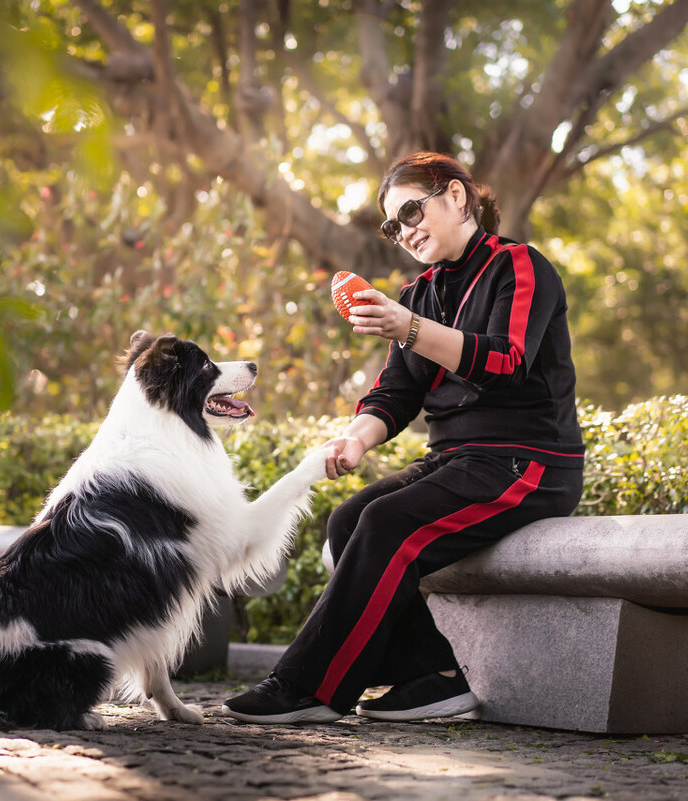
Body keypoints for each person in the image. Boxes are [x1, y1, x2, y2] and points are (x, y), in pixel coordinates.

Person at [222, 151, 585, 724]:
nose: (403, 231)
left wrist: (409, 328)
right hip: (458, 462)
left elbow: (507, 361)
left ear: (457, 197)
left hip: (528, 464)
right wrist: (355, 442)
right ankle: (433, 676)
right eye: (393, 225)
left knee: (386, 525)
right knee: (346, 522)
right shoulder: (416, 295)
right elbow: (394, 394)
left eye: (411, 210)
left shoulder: (520, 266)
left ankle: (309, 688)